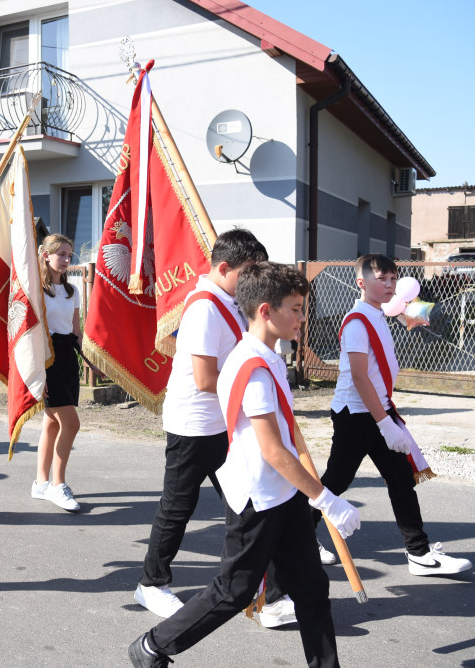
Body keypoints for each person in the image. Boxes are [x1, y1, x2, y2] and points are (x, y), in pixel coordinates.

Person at [129, 262, 360, 668]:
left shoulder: (265, 355)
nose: (302, 317)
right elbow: (272, 450)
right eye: (295, 308)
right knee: (234, 590)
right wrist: (325, 499)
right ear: (266, 311)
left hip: (283, 491)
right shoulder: (252, 365)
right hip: (258, 494)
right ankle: (153, 645)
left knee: (310, 586)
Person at [135, 229, 290, 622]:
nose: (254, 280)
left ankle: (265, 593)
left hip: (226, 422)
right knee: (177, 509)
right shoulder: (204, 306)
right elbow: (205, 379)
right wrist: (256, 380)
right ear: (224, 268)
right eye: (248, 271)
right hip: (194, 424)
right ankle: (151, 585)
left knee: (252, 505)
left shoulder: (232, 301)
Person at [314, 253, 472, 576]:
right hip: (357, 415)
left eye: (392, 278)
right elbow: (359, 378)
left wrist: (385, 418)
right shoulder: (357, 321)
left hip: (375, 410)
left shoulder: (377, 314)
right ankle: (296, 537)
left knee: (399, 479)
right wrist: (385, 423)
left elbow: (402, 316)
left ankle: (419, 553)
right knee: (335, 481)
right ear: (361, 283)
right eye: (380, 278)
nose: (388, 285)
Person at [31, 234, 83, 512]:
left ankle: (41, 482)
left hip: (67, 359)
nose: (65, 260)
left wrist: (89, 360)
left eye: (69, 254)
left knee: (52, 422)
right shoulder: (37, 290)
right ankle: (56, 485)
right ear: (45, 255)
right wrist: (37, 372)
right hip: (46, 358)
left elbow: (75, 329)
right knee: (71, 424)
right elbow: (31, 333)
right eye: (60, 254)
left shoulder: (72, 291)